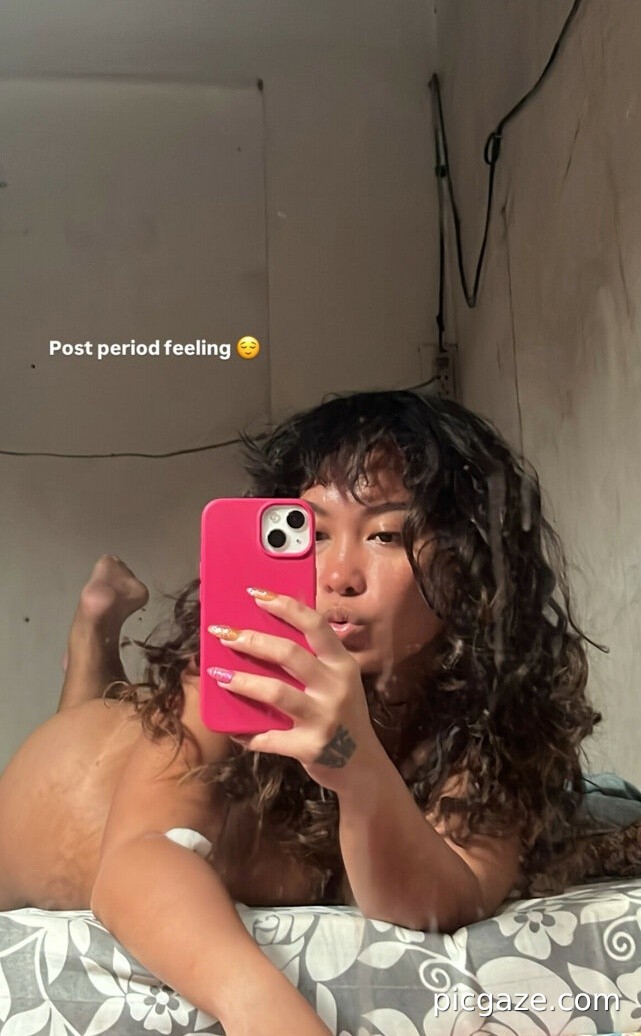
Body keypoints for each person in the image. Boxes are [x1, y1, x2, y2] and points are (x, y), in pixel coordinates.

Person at [0, 389, 603, 1035]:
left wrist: (355, 765)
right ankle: (92, 642)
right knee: (109, 715)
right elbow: (136, 862)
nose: (339, 575)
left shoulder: (494, 713)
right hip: (66, 780)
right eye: (308, 534)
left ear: (473, 560)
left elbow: (447, 896)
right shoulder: (234, 668)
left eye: (385, 534)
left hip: (130, 743)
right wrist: (265, 1012)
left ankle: (95, 641)